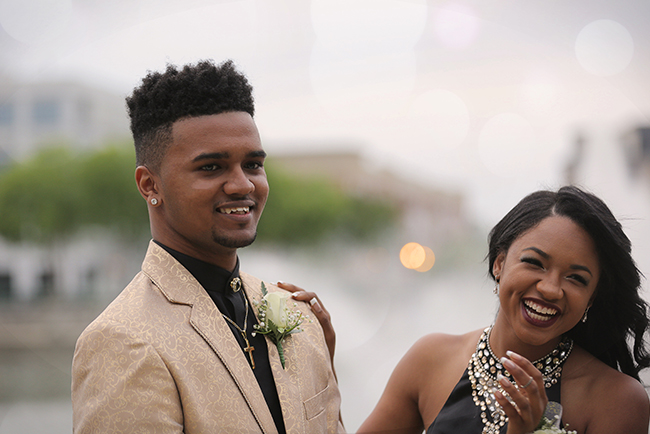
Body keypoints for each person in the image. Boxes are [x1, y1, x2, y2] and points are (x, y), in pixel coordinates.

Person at [71, 59, 343, 434]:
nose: (242, 185)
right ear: (150, 185)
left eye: (253, 164)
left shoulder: (300, 319)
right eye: (211, 168)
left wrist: (323, 354)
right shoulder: (123, 341)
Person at [358, 186, 650, 434]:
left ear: (591, 298)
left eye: (576, 278)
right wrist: (320, 365)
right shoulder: (431, 360)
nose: (550, 289)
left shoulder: (617, 400)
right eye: (534, 262)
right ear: (499, 264)